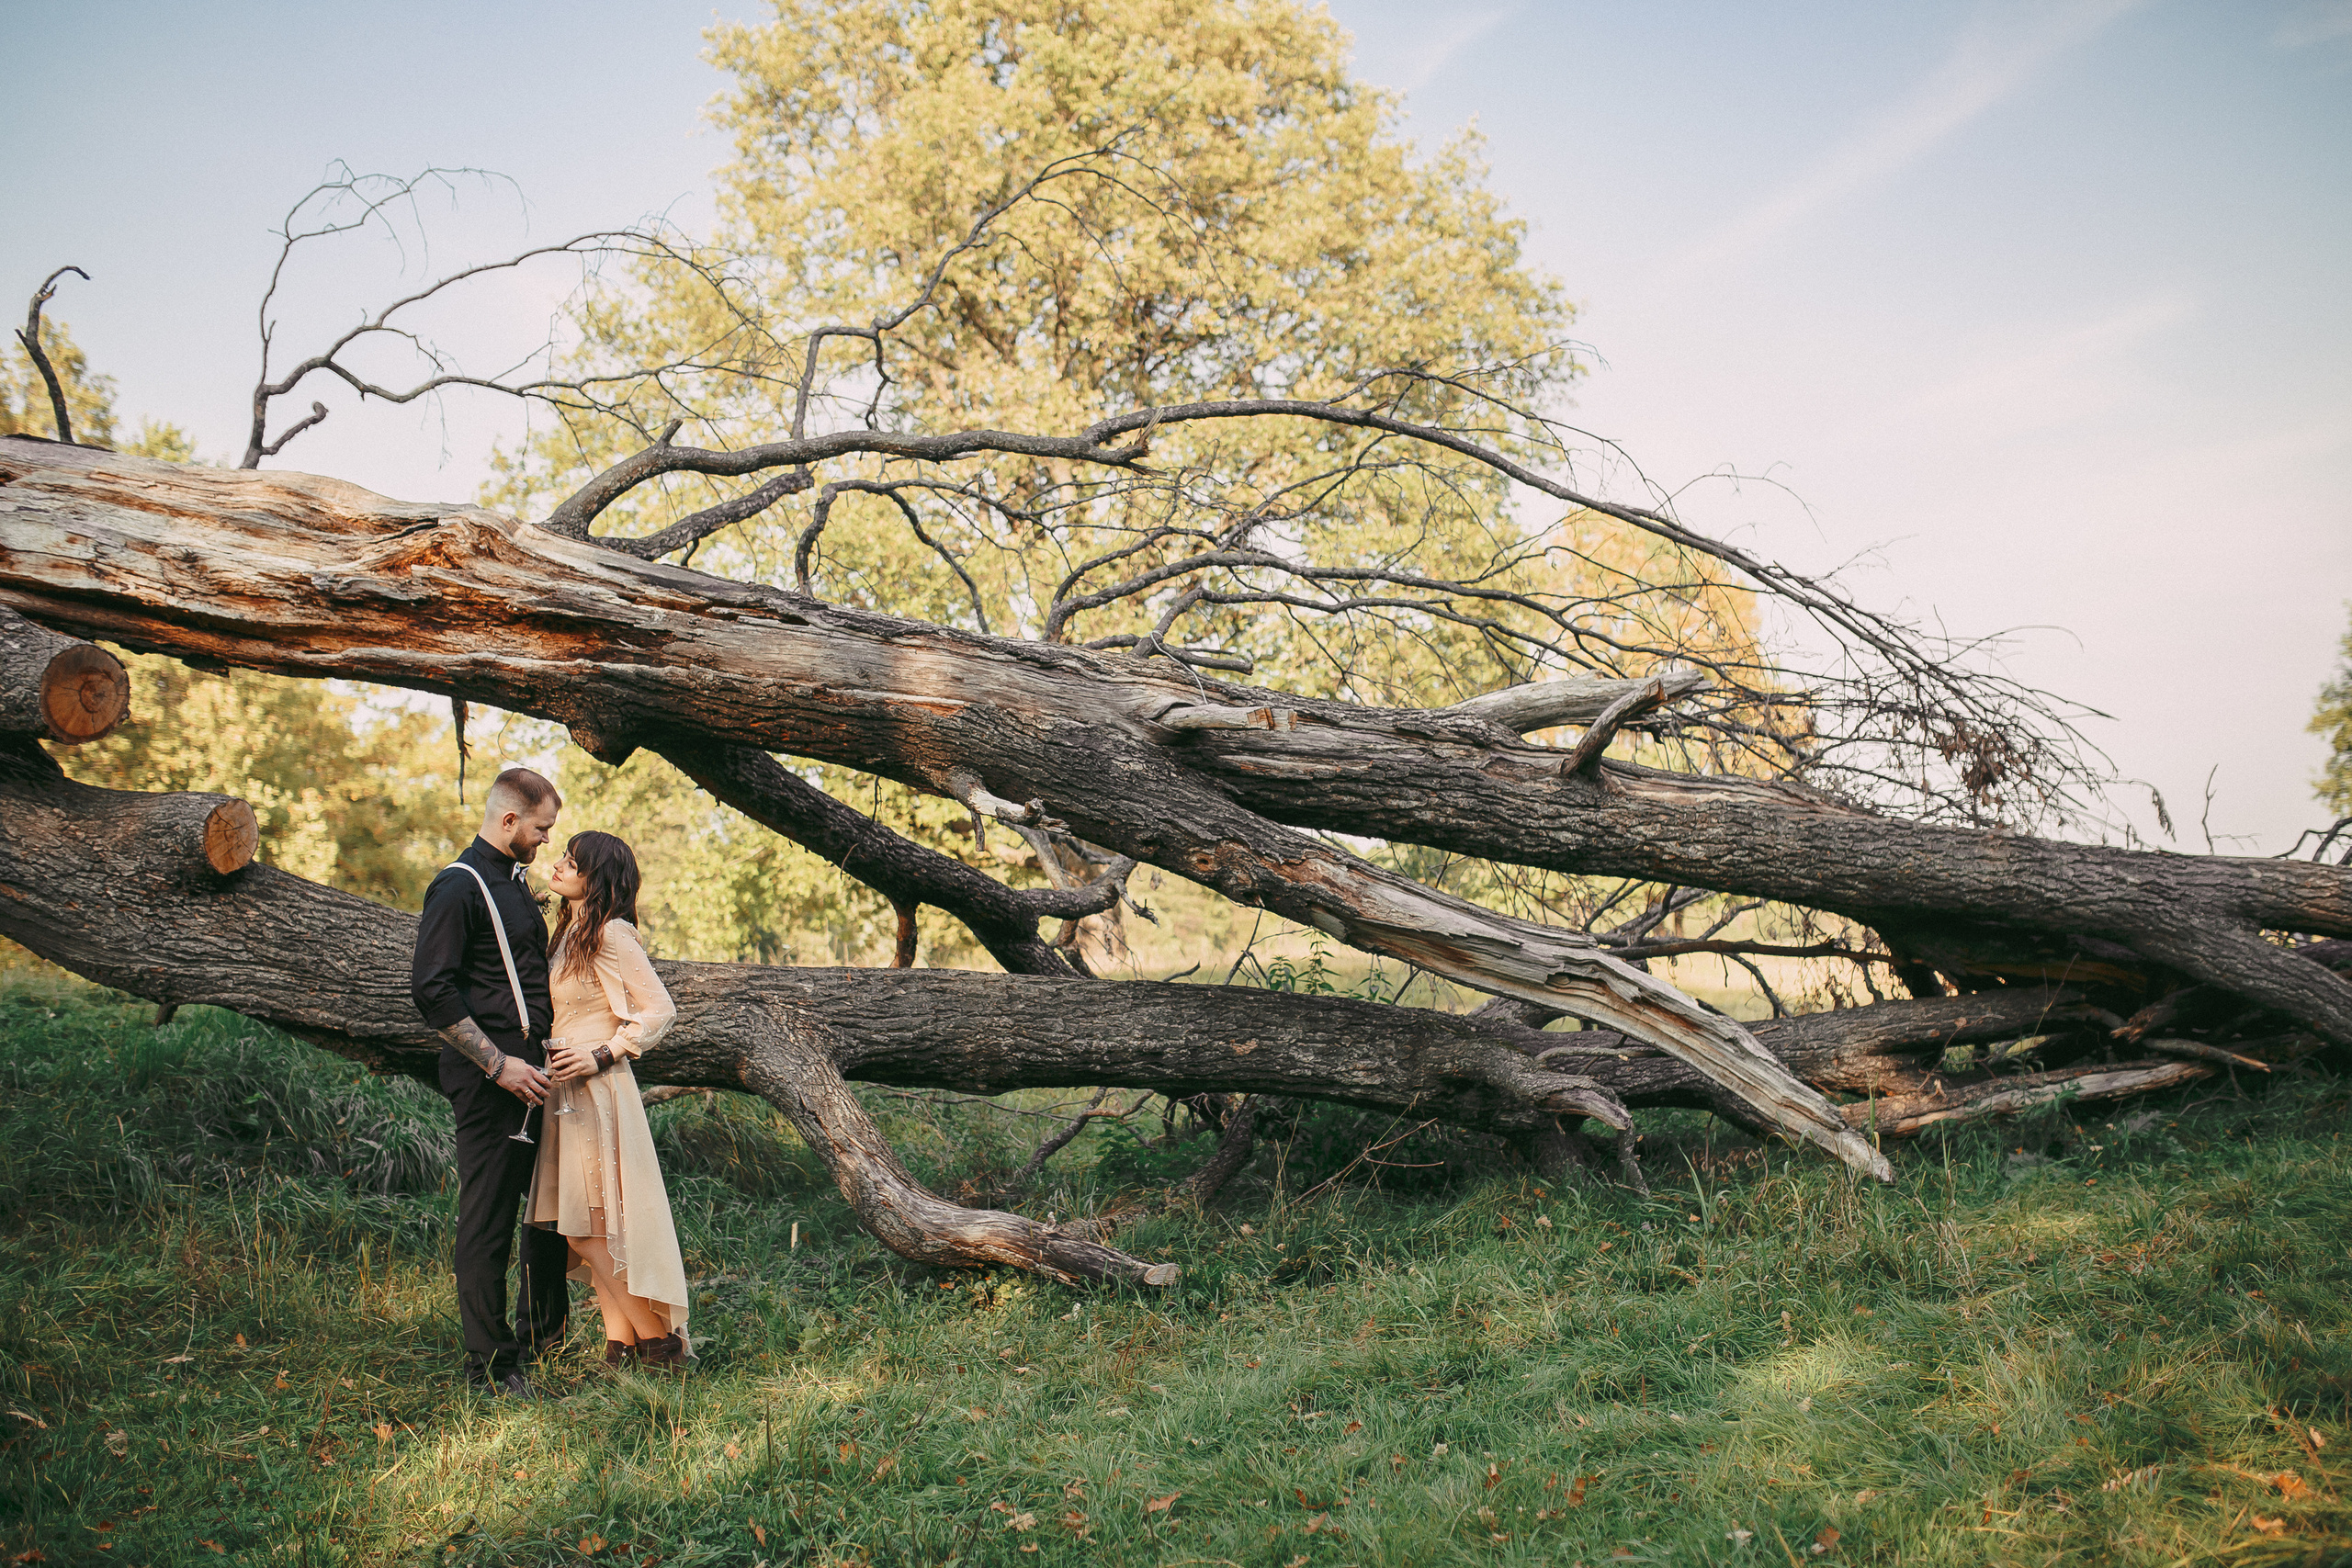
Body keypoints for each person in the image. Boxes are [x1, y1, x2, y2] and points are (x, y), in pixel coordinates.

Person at [409, 767, 571, 1398]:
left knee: (546, 1212)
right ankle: (491, 1366)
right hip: (490, 1083)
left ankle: (542, 1339)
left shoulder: (516, 883)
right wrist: (499, 1066)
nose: (544, 840)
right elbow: (432, 989)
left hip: (537, 1075)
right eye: (540, 828)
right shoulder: (458, 887)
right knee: (488, 1218)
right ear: (509, 821)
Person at [527, 830, 691, 1370]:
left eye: (571, 861)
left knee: (584, 1225)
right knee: (587, 1223)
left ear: (596, 879)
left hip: (596, 1090)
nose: (557, 864)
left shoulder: (611, 933)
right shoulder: (570, 931)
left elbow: (658, 1010)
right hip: (564, 1092)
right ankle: (619, 1347)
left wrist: (603, 1053)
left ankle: (657, 1344)